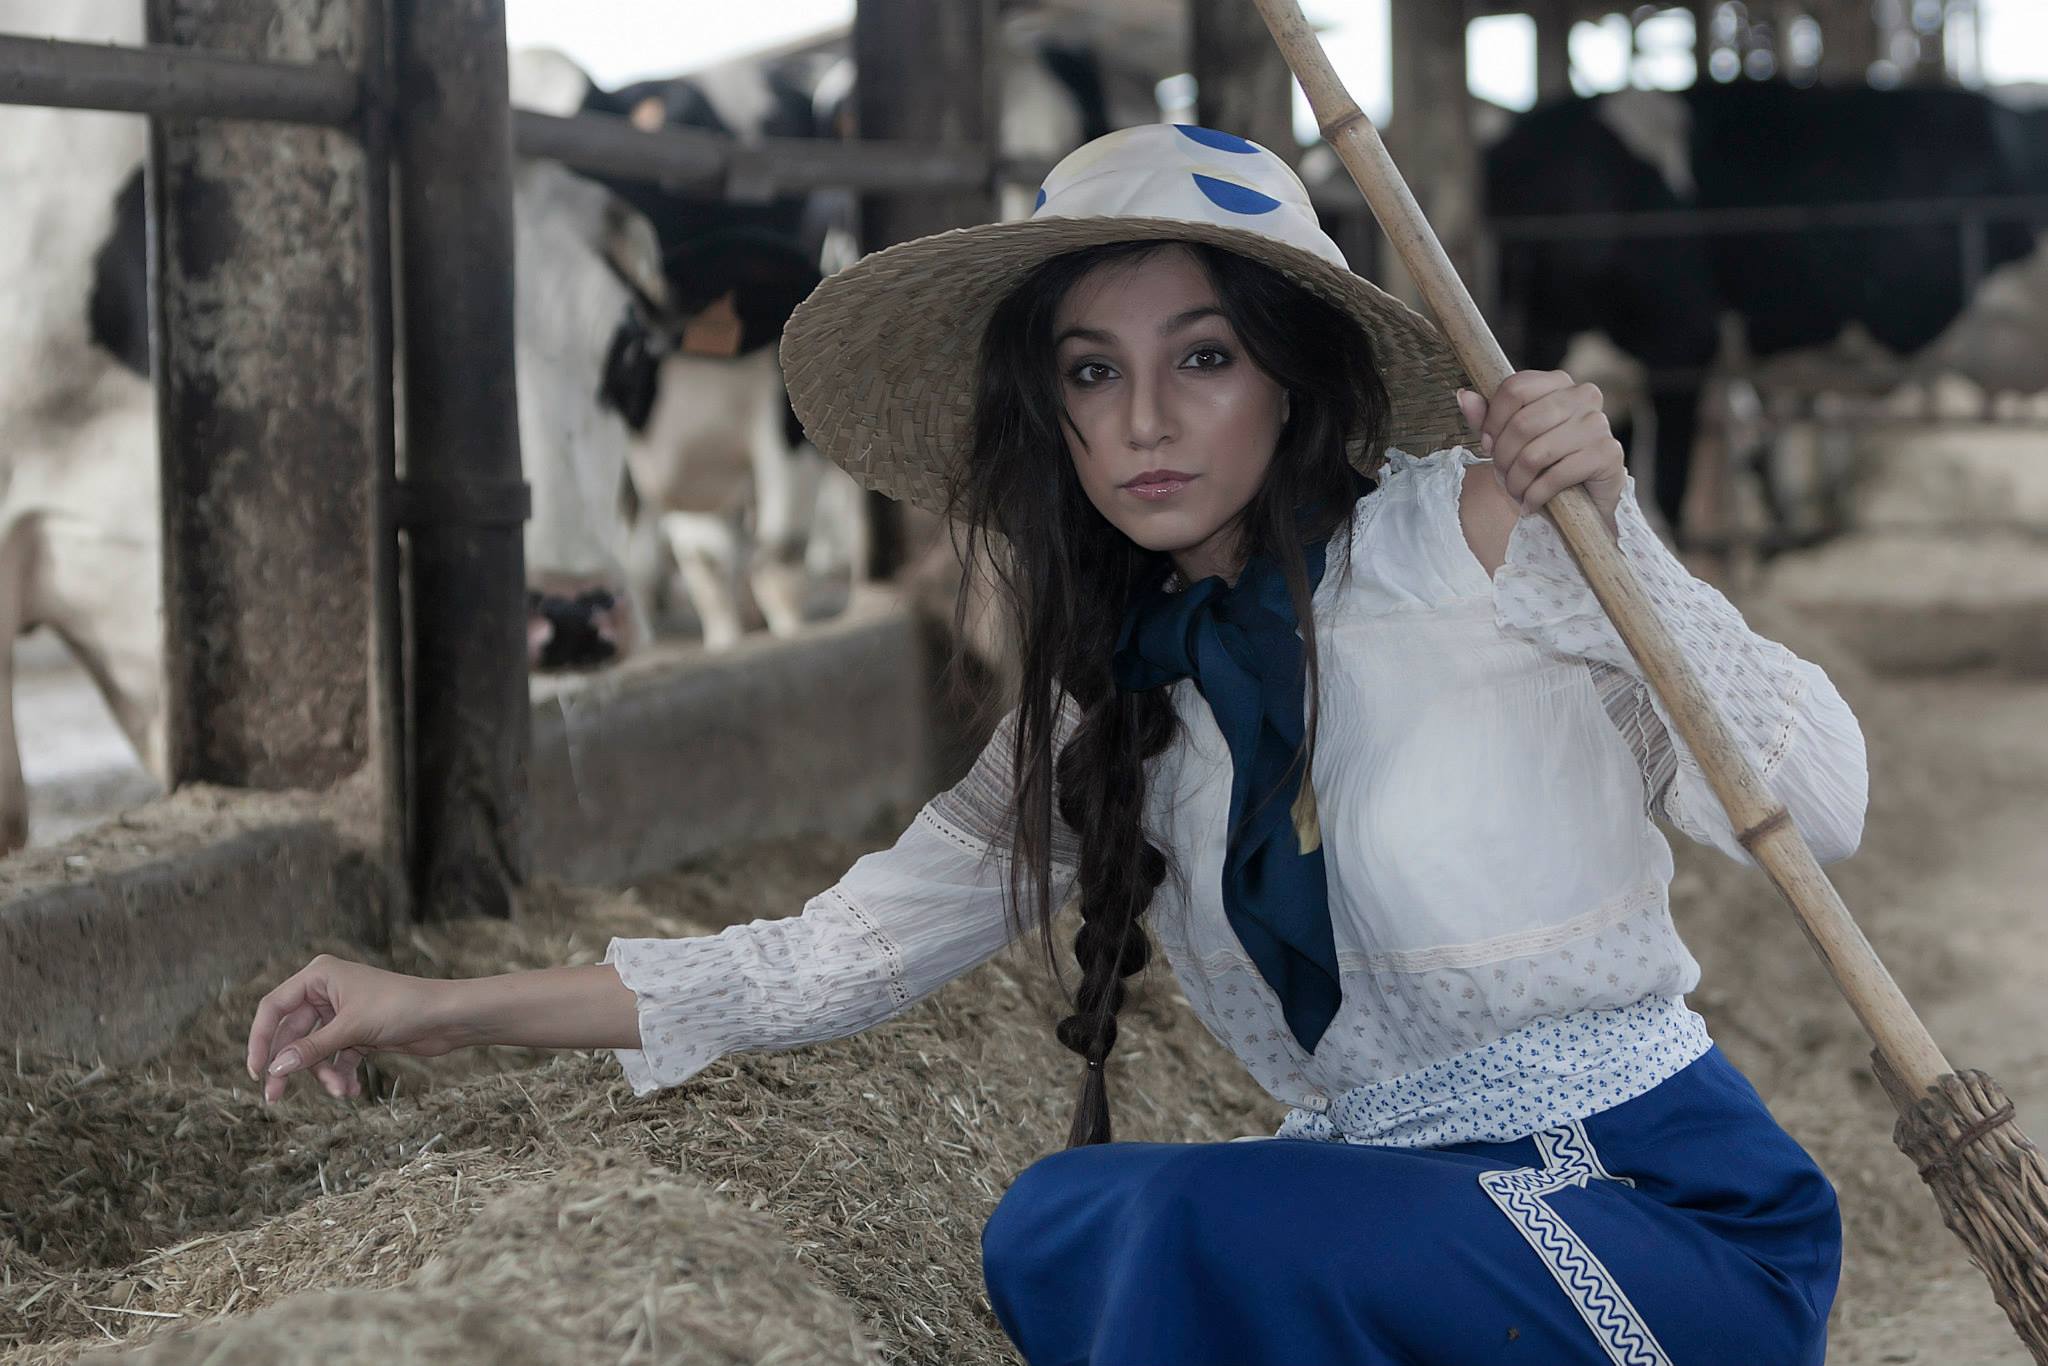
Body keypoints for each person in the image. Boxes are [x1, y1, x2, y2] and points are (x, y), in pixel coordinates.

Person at [247, 123, 1866, 1365]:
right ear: (1055, 412)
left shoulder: (1483, 536)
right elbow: (824, 957)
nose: (1144, 419)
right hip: (1380, 1219)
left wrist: (1619, 536)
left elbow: (1827, 800)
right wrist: (436, 1005)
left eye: (1203, 357)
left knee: (1219, 1226)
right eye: (1095, 372)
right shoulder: (1118, 702)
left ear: (1294, 380)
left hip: (1648, 1212)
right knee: (1059, 1220)